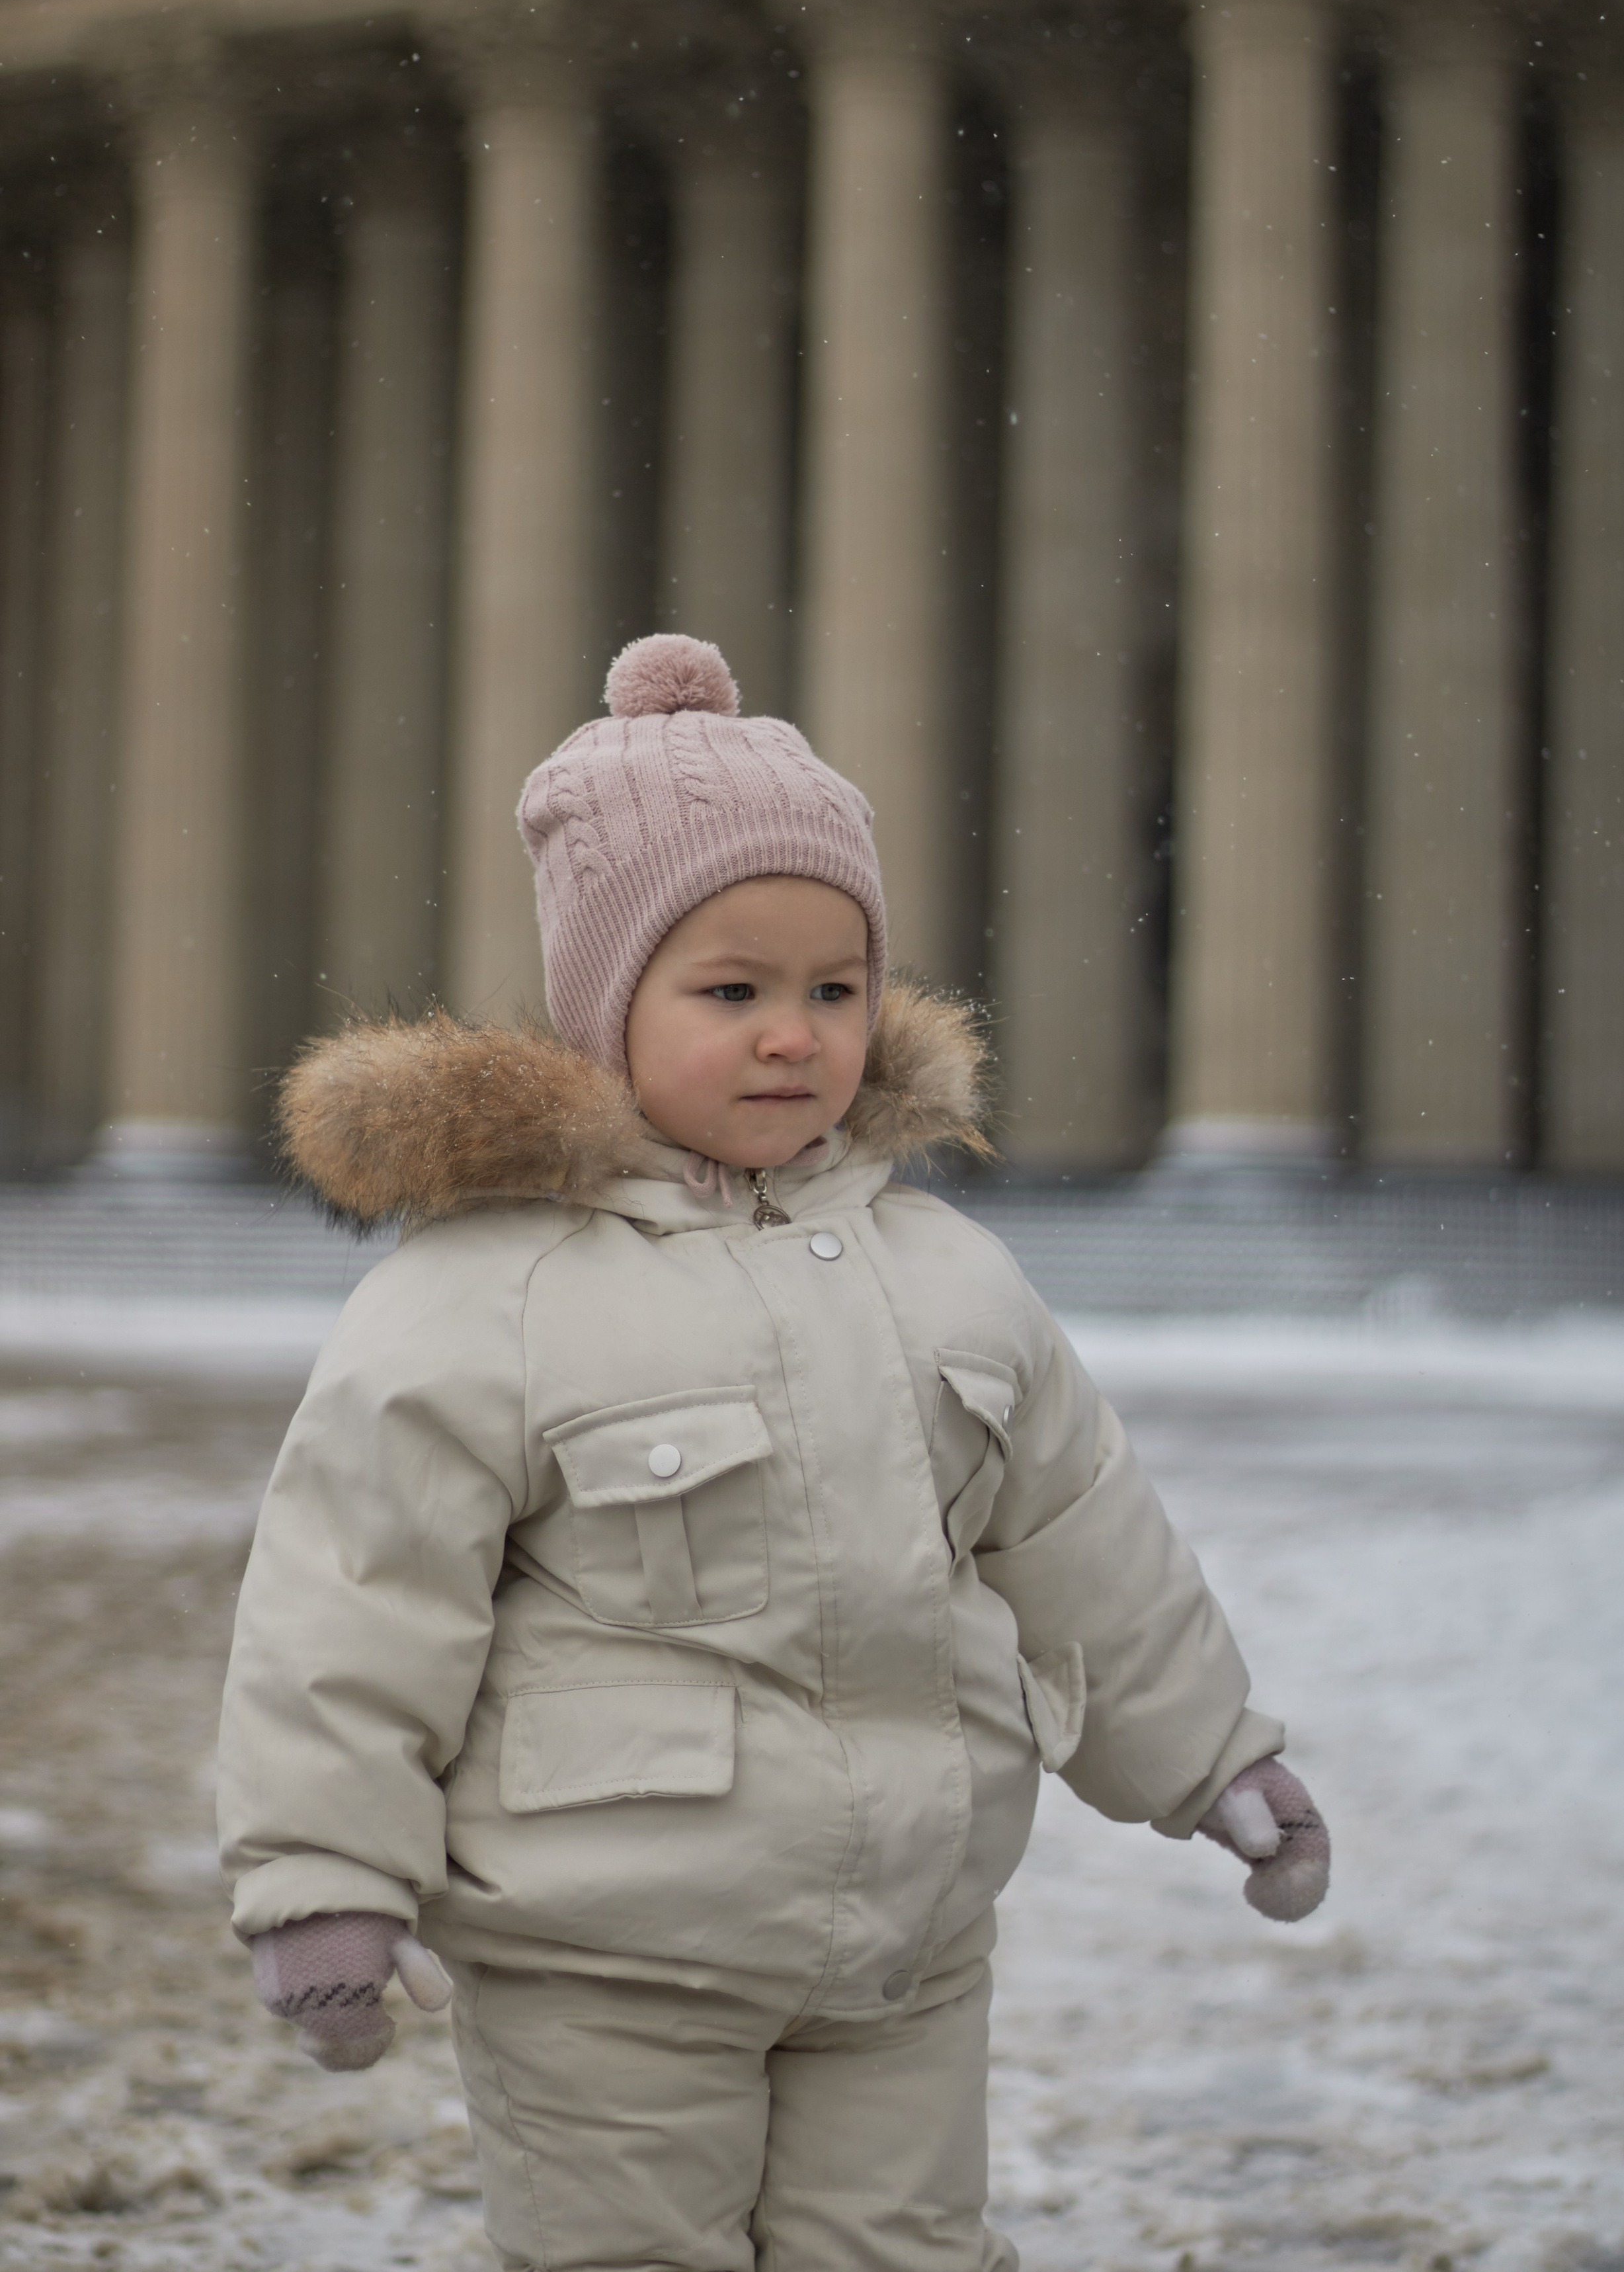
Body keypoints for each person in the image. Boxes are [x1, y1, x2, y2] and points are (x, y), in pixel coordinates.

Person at [218, 632, 1330, 2272]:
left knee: (901, 2250)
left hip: (908, 1948)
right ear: (608, 1006)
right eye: (729, 991)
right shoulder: (485, 1293)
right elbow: (354, 1600)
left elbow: (1084, 1540)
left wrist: (1213, 1757)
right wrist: (323, 1871)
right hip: (607, 1962)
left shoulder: (944, 1272)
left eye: (834, 989)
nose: (793, 1035)